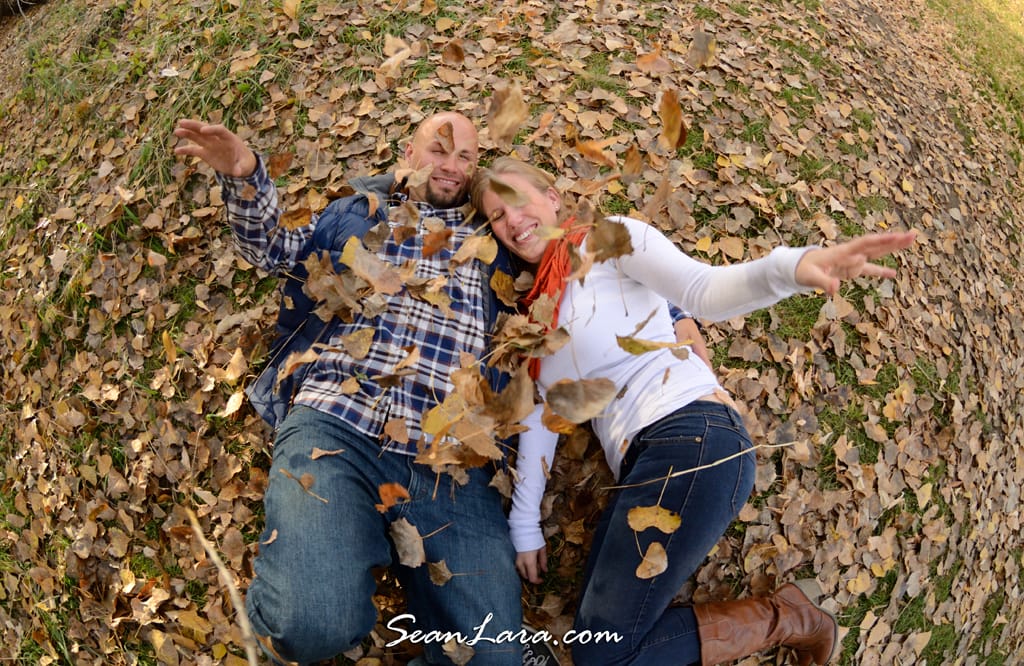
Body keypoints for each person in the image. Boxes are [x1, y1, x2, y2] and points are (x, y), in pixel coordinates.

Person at [470, 157, 916, 666]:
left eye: (519, 200)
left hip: (692, 436)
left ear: (552, 197)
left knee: (601, 657)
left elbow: (701, 290)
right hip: (642, 471)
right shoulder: (538, 313)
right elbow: (542, 415)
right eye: (497, 215)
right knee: (597, 644)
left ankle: (789, 619)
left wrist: (787, 269)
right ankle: (788, 614)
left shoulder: (605, 241)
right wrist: (524, 521)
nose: (513, 221)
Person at [173, 113, 525, 665]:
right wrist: (244, 175)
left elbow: (573, 262)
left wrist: (675, 314)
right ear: (409, 151)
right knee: (307, 627)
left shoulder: (494, 240)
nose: (453, 167)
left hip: (450, 459)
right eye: (440, 150)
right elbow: (275, 251)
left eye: (465, 158)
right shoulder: (361, 213)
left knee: (495, 659)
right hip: (340, 423)